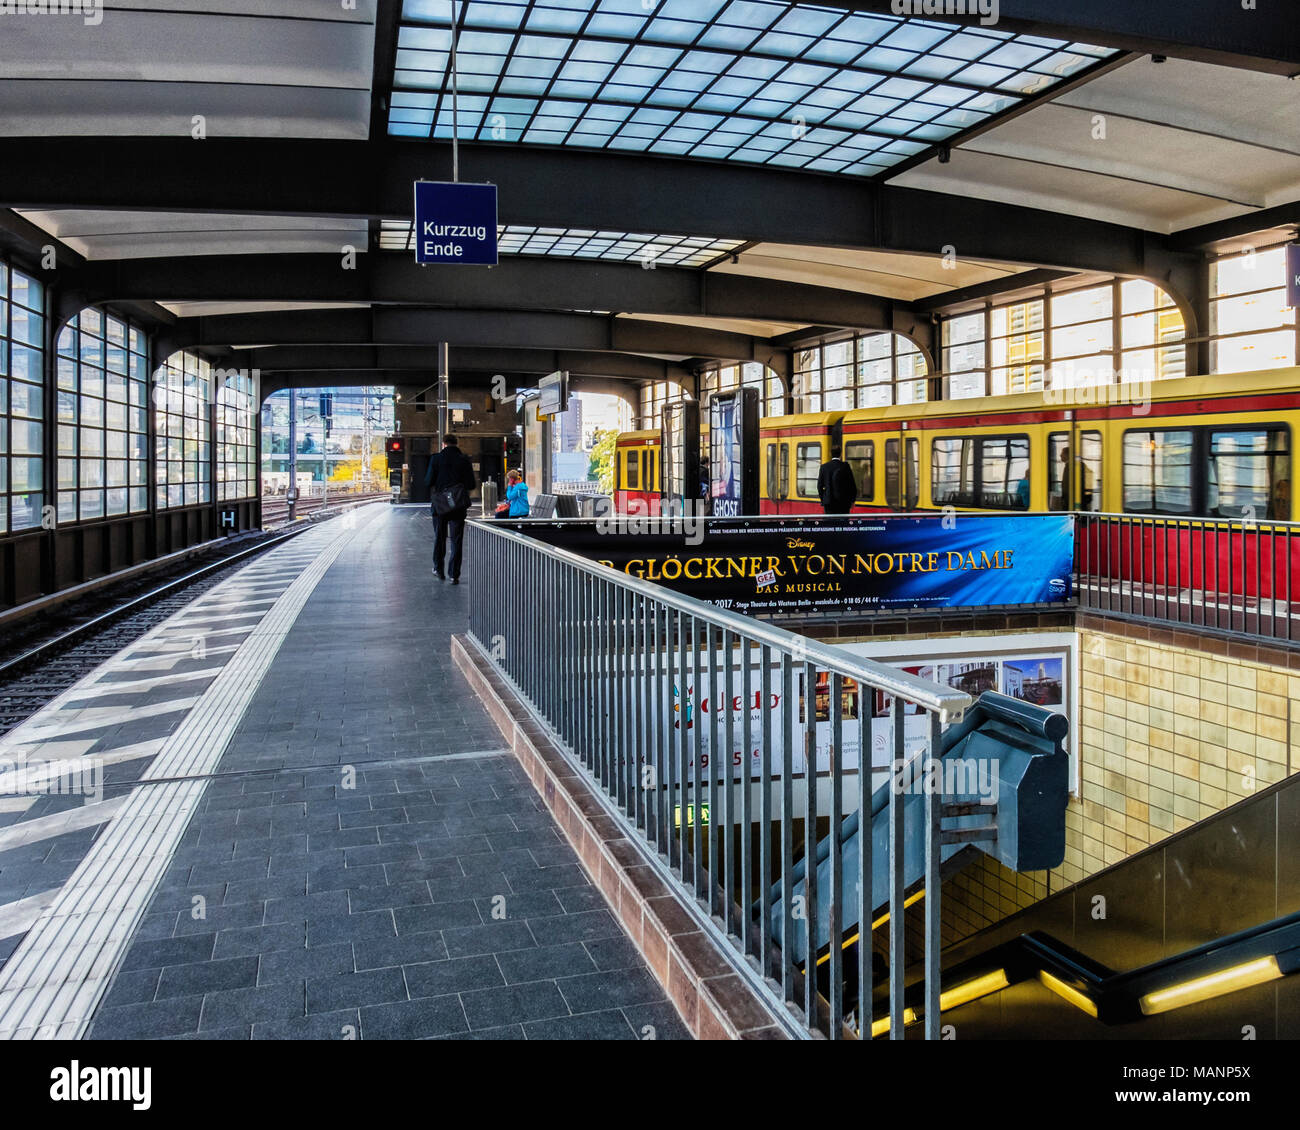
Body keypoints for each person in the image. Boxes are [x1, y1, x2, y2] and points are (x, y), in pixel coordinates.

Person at [424, 434, 476, 584]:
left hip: (440, 505)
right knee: (456, 540)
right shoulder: (464, 459)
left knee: (439, 537)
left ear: (443, 444)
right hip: (458, 505)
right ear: (456, 443)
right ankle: (454, 574)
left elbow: (428, 481)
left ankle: (438, 569)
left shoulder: (436, 459)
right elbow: (471, 484)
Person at [817, 449, 857, 515]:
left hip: (829, 503)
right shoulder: (846, 466)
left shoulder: (824, 467)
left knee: (830, 523)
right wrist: (852, 500)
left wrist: (823, 500)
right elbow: (852, 485)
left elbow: (819, 486)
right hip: (844, 502)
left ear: (830, 454)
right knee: (843, 524)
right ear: (840, 454)